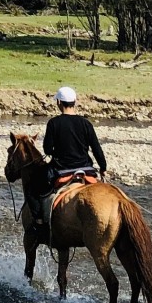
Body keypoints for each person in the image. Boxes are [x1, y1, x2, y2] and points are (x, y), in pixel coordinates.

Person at [38, 86, 107, 233]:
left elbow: (47, 149)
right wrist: (103, 167)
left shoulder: (54, 123)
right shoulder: (86, 123)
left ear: (58, 102)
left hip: (62, 170)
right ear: (75, 101)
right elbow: (96, 149)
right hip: (86, 170)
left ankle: (39, 222)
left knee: (36, 188)